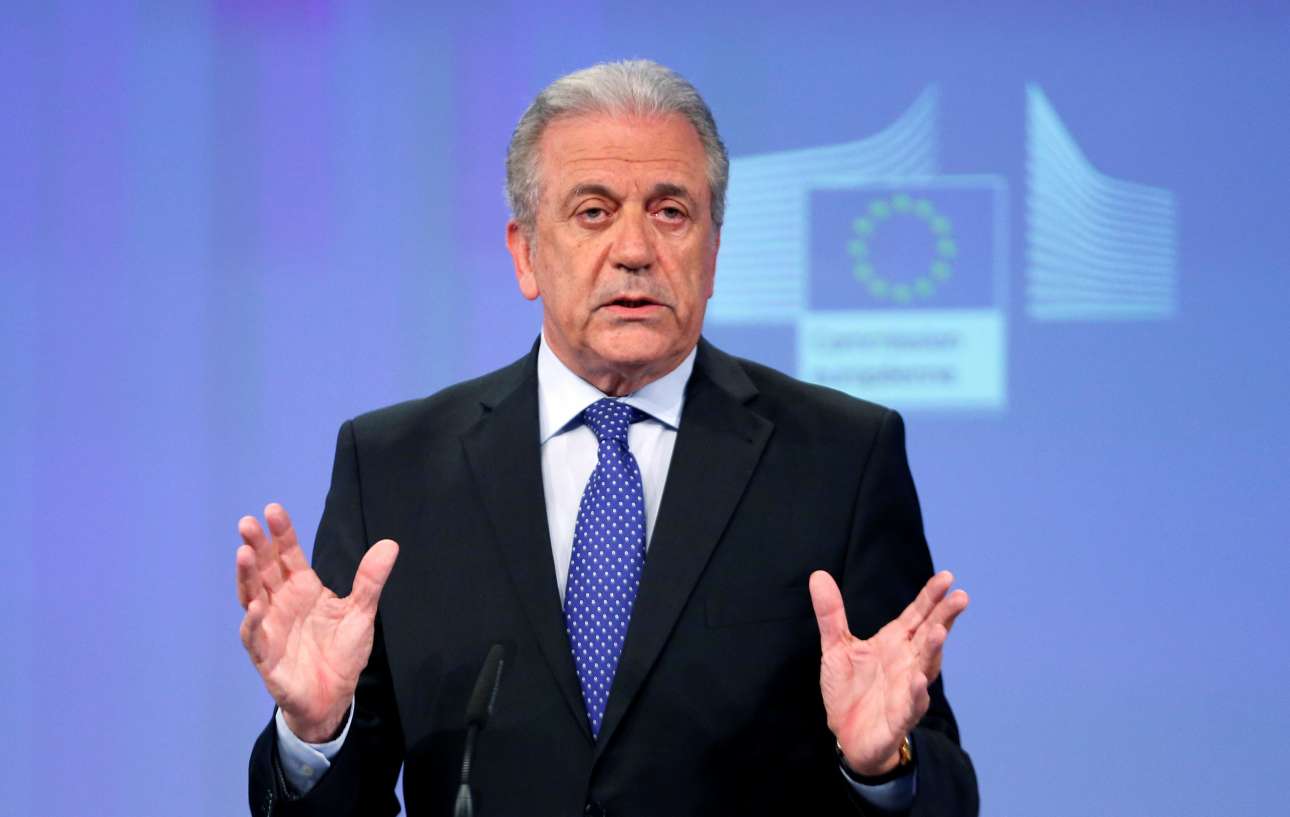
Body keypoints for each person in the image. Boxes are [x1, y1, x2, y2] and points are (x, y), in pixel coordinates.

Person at [236, 60, 977, 816]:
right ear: (525, 253)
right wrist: (314, 735)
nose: (634, 250)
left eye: (671, 212)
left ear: (713, 253)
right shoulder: (394, 467)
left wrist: (882, 768)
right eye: (593, 212)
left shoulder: (841, 460)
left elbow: (943, 784)